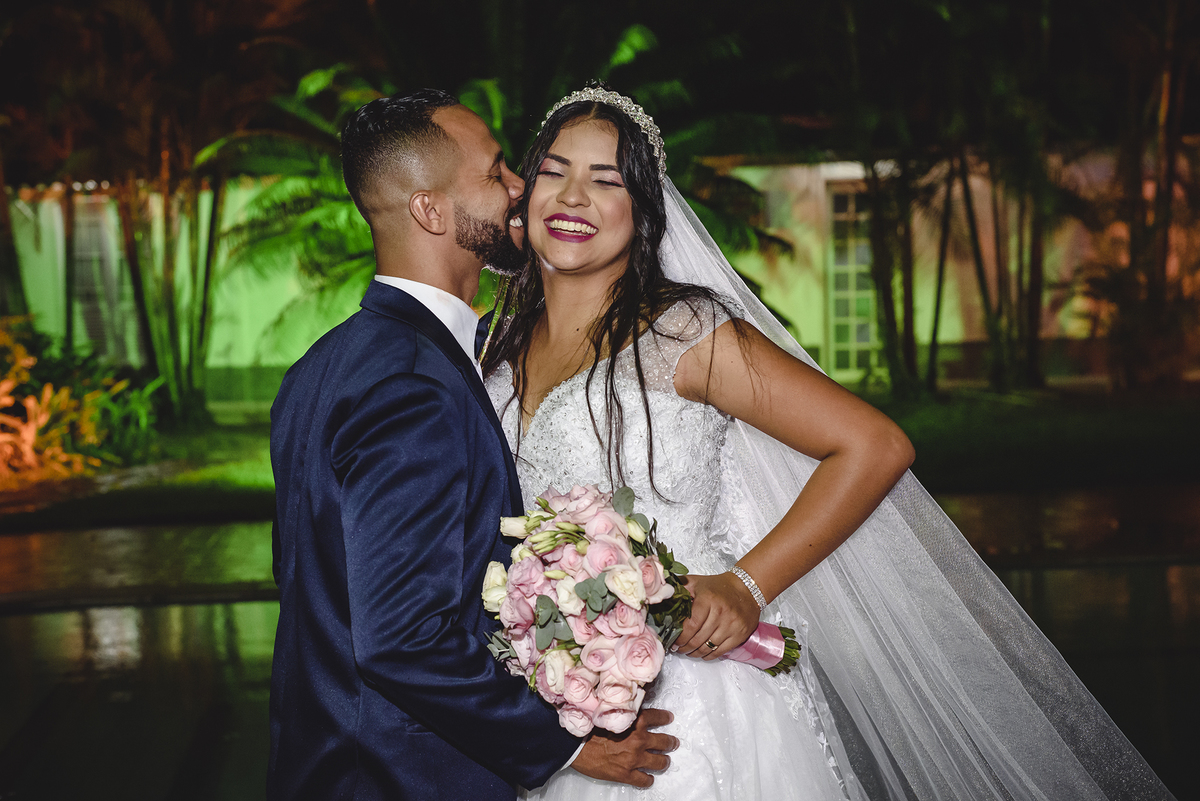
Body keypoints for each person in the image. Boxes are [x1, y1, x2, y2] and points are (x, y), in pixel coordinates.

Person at [482, 85, 1177, 800]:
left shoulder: (683, 332)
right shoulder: (492, 349)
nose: (572, 197)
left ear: (645, 211)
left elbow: (874, 444)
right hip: (555, 712)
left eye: (606, 181)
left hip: (689, 705)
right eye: (555, 170)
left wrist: (746, 586)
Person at [267, 89, 676, 801]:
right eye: (494, 175)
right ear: (431, 210)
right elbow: (400, 635)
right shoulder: (413, 387)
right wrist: (559, 745)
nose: (521, 185)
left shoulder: (324, 364)